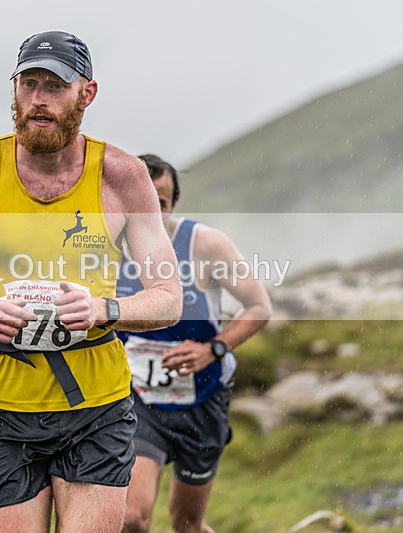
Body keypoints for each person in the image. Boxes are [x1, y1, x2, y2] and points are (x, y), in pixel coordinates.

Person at [0, 31, 182, 533]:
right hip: (2, 405)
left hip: (96, 405)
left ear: (87, 94)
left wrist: (105, 310)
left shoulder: (122, 176)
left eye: (56, 86)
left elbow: (168, 298)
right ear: (14, 89)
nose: (38, 100)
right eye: (29, 84)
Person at [120, 154, 272, 533]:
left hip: (203, 401)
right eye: (140, 201)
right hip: (139, 401)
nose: (150, 212)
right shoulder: (102, 250)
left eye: (161, 203)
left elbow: (258, 307)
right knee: (132, 519)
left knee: (187, 524)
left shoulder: (204, 244)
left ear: (173, 206)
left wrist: (213, 350)